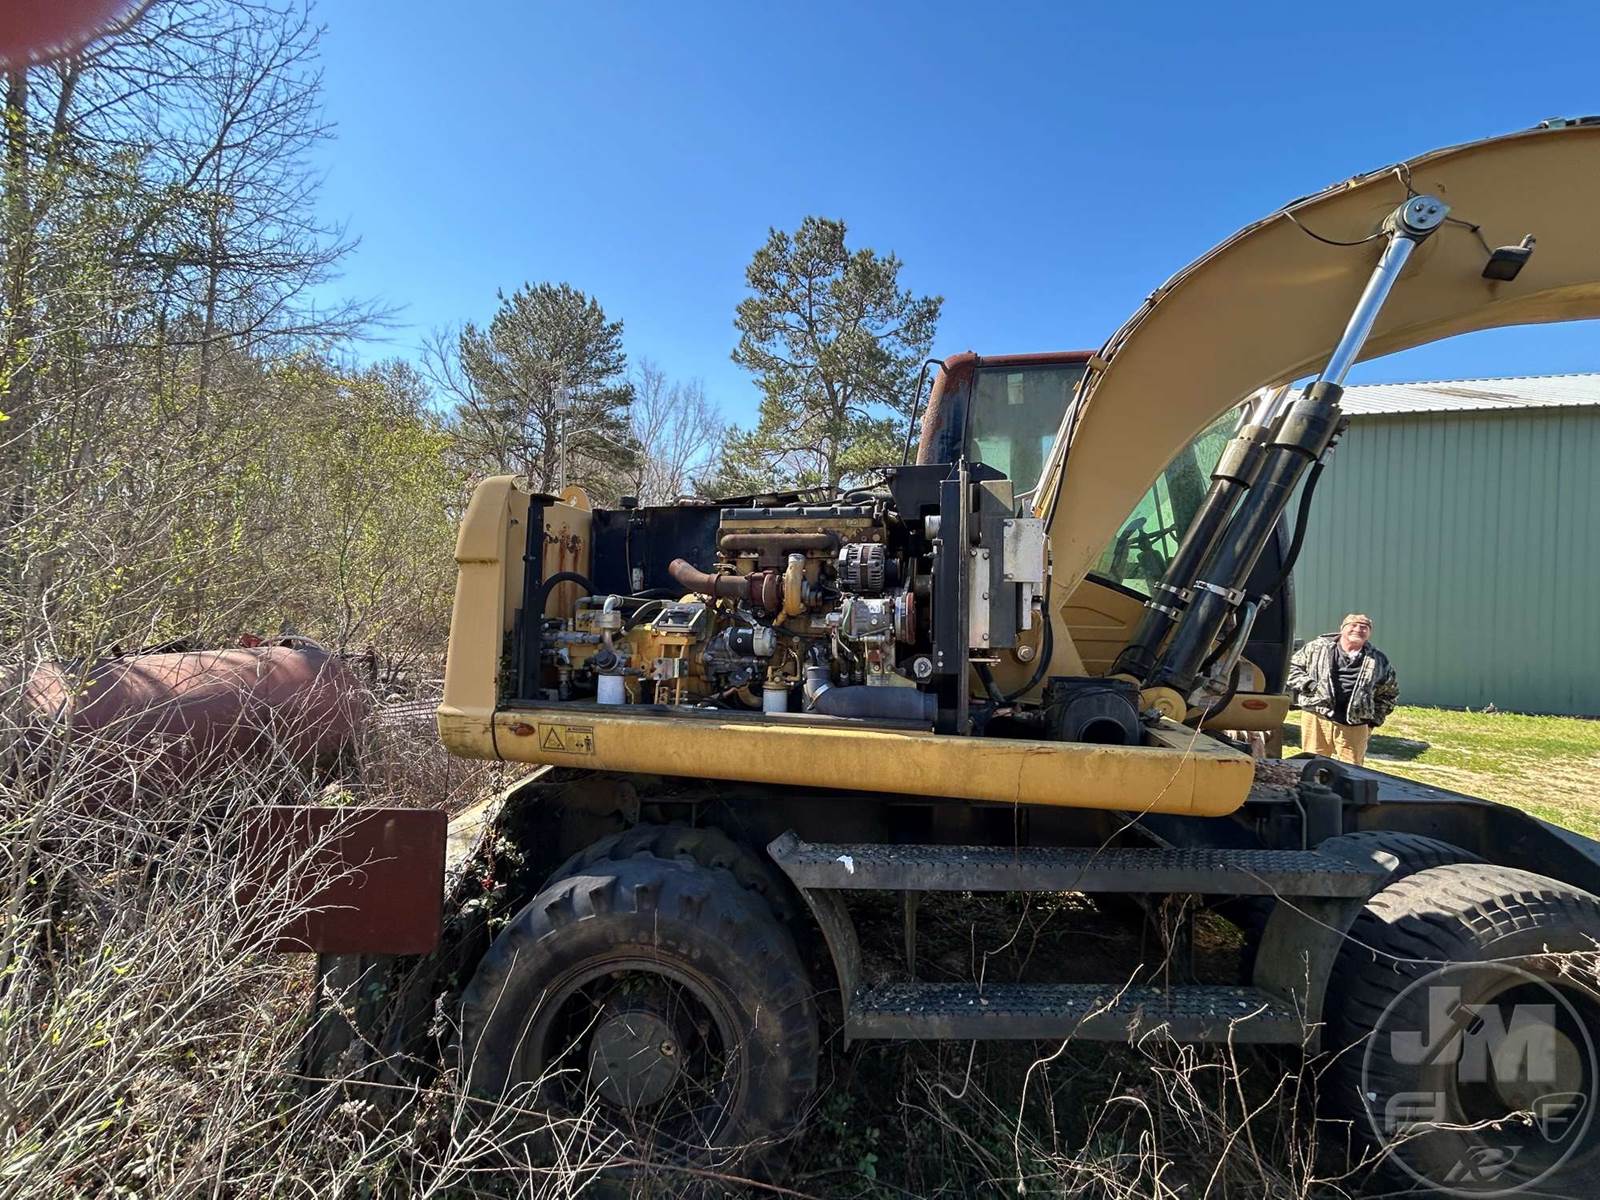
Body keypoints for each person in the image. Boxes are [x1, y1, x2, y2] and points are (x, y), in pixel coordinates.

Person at [1287, 613, 1398, 765]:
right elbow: (1291, 667)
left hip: (1355, 724)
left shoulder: (1378, 660)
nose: (1358, 629)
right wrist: (1308, 685)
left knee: (1351, 769)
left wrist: (1373, 721)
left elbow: (1389, 693)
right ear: (1342, 629)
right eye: (1353, 625)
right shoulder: (1318, 648)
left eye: (1364, 627)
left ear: (1369, 633)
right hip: (1317, 717)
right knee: (1312, 764)